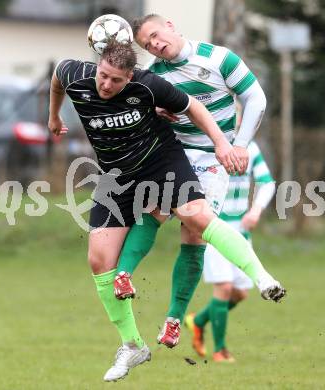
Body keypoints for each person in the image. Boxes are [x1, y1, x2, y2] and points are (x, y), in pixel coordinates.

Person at [48, 42, 284, 382]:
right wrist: (53, 116)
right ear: (96, 66)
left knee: (199, 220)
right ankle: (132, 346)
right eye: (103, 76)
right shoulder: (78, 75)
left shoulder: (148, 84)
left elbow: (193, 108)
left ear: (130, 76)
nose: (106, 85)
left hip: (162, 164)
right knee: (99, 260)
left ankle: (262, 277)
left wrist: (221, 143)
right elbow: (57, 78)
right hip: (117, 179)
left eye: (115, 80)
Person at [114, 14, 281, 348]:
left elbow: (255, 99)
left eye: (156, 36)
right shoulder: (155, 75)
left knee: (195, 234)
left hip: (212, 158)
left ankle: (174, 321)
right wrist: (156, 112)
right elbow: (133, 107)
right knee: (155, 210)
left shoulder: (219, 58)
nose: (155, 45)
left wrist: (239, 145)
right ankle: (123, 275)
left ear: (171, 26)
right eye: (147, 44)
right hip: (176, 153)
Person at [185, 141, 276, 362]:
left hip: (241, 232)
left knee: (240, 293)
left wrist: (255, 211)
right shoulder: (204, 144)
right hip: (213, 227)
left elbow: (267, 183)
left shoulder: (250, 148)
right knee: (224, 287)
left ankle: (198, 322)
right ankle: (220, 351)